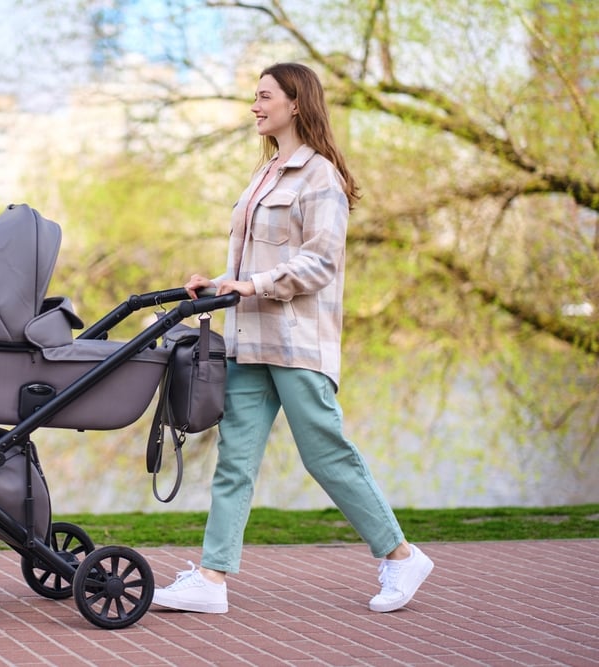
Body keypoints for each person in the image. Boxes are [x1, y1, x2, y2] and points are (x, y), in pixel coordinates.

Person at [151, 62, 433, 615]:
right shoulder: (262, 176)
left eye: (264, 96)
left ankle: (400, 556)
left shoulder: (319, 175)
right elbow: (252, 262)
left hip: (298, 342)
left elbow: (320, 262)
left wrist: (250, 285)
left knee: (326, 454)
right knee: (235, 461)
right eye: (254, 98)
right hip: (249, 342)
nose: (254, 106)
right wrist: (216, 282)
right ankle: (211, 577)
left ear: (295, 102)